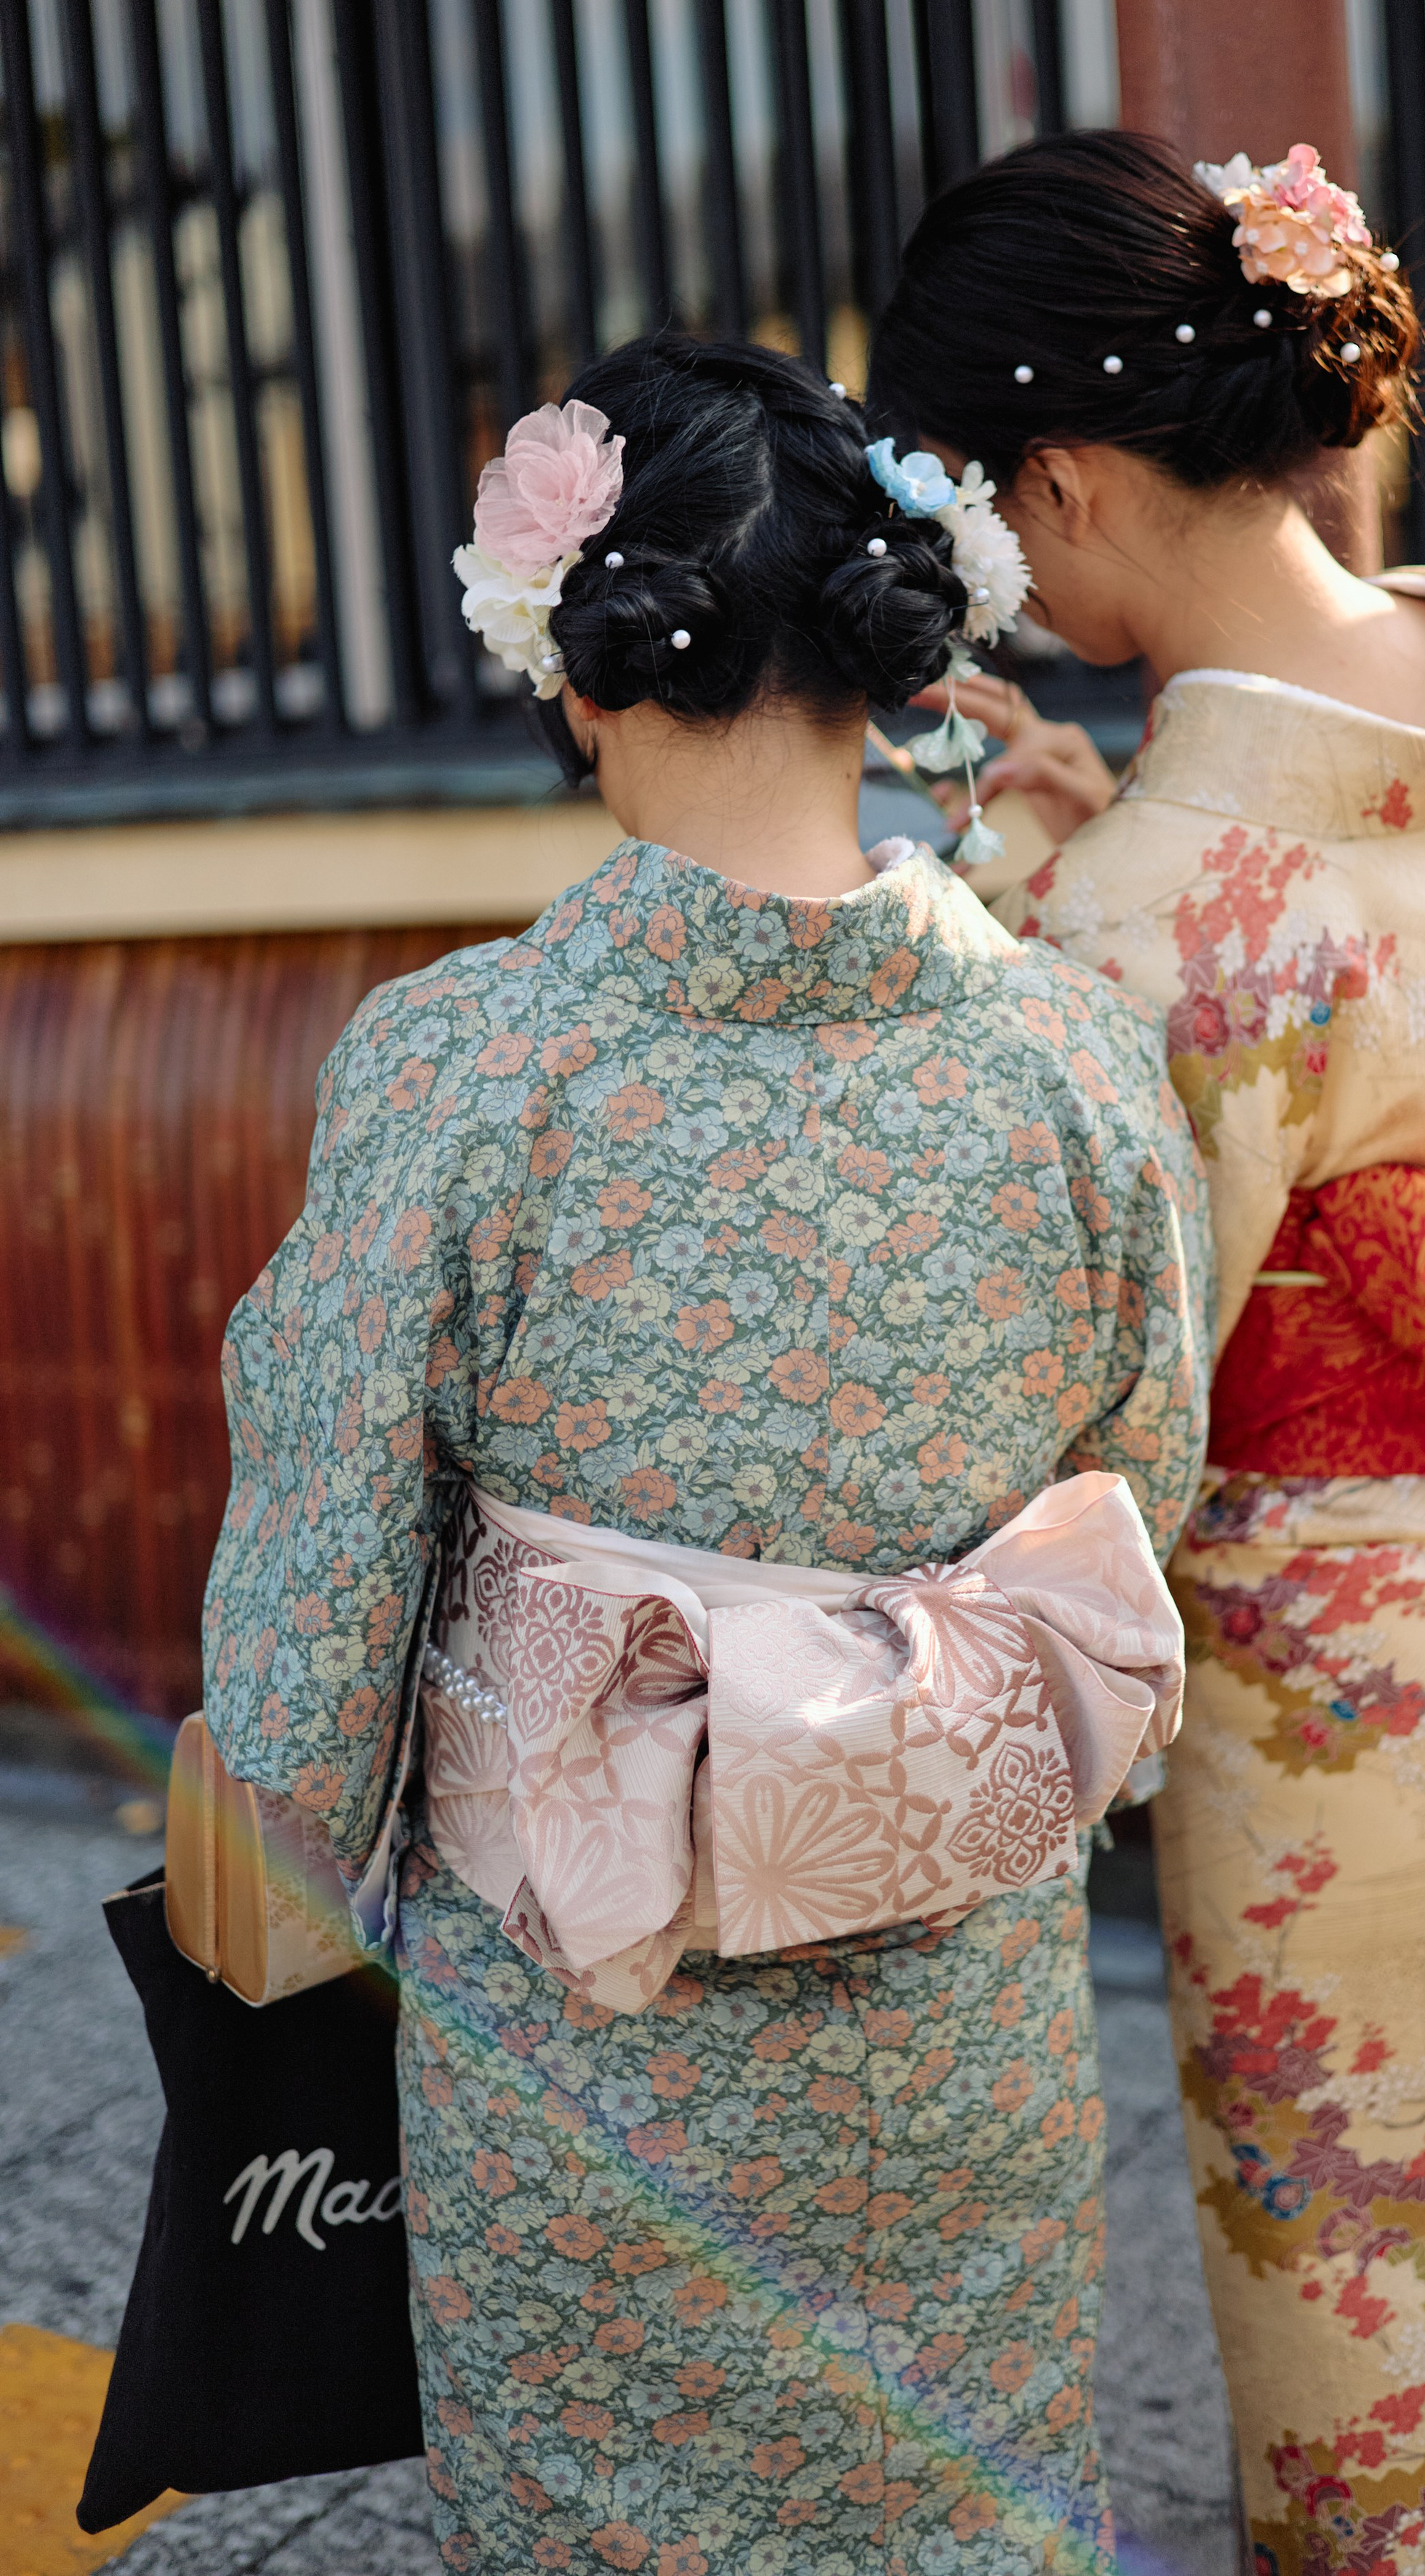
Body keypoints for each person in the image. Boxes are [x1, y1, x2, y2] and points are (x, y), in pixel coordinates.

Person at [201, 334, 1213, 2576]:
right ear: (883, 645)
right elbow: (1150, 1468)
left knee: (615, 2516)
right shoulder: (1071, 1056)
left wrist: (308, 1800)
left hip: (591, 1995)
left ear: (579, 666)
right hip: (956, 1988)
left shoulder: (469, 1066)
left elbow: (308, 1628)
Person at [867, 129, 1425, 2575]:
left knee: (1403, 2365)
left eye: (996, 504)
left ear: (1060, 476)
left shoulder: (1172, 911)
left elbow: (1112, 1388)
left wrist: (1025, 926)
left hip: (1358, 1727)